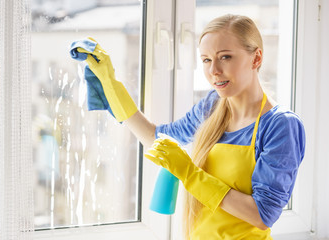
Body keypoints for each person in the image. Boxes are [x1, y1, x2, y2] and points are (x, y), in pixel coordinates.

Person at [74, 14, 305, 240]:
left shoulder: (280, 125)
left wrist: (189, 173)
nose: (214, 70)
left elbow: (263, 214)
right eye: (206, 60)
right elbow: (159, 140)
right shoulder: (212, 106)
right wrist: (110, 83)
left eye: (225, 57)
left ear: (256, 59)